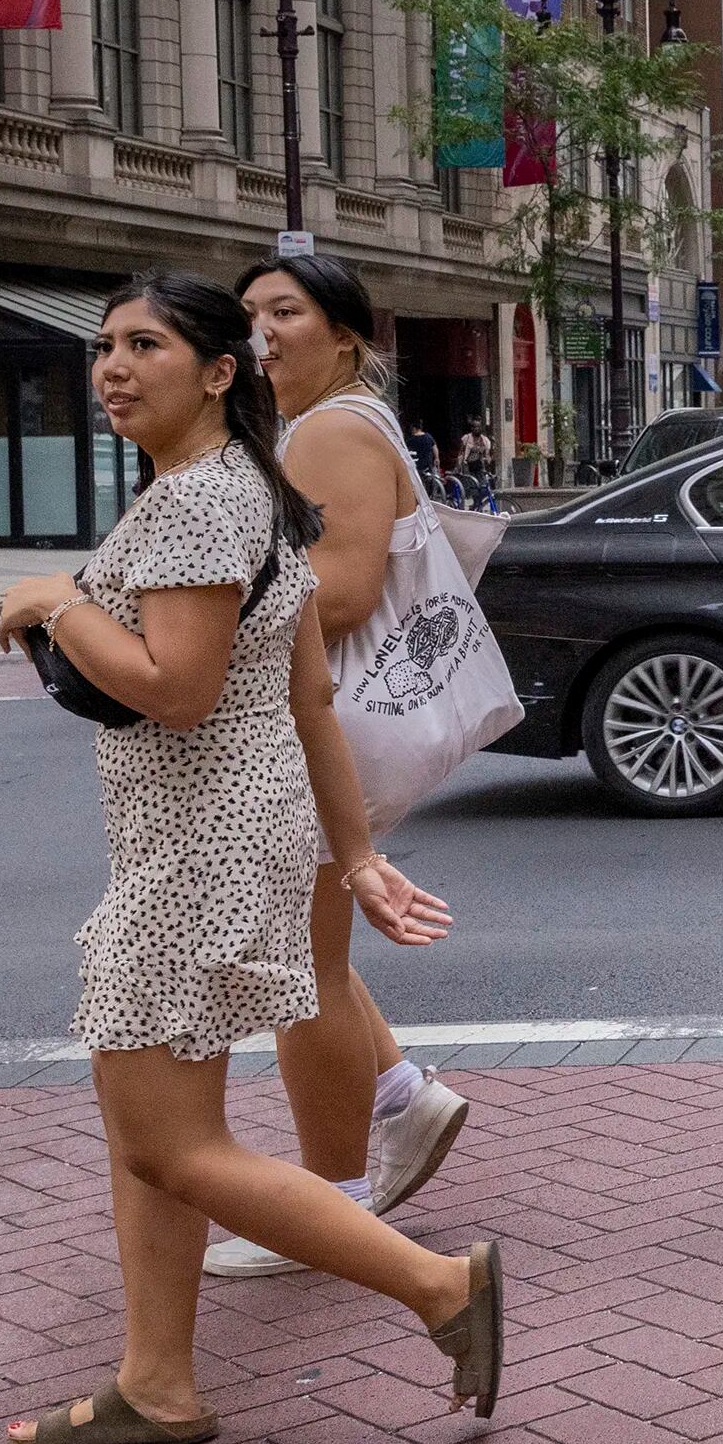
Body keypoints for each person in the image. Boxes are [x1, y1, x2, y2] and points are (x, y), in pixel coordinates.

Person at [0, 273, 499, 1444]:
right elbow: (307, 689)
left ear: (218, 373)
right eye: (106, 345)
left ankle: (439, 1289)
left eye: (146, 346)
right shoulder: (240, 491)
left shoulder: (197, 504)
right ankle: (157, 1381)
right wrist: (358, 852)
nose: (115, 366)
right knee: (150, 1126)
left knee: (169, 1139)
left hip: (197, 849)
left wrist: (58, 606)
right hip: (239, 831)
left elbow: (181, 687)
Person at [202, 254, 483, 1278]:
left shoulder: (332, 429)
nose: (262, 331)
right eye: (249, 314)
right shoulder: (319, 425)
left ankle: (333, 1199)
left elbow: (349, 590)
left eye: (288, 311)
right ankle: (402, 1097)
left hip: (327, 724)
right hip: (314, 721)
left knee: (299, 973)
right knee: (309, 953)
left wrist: (197, 603)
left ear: (347, 337)